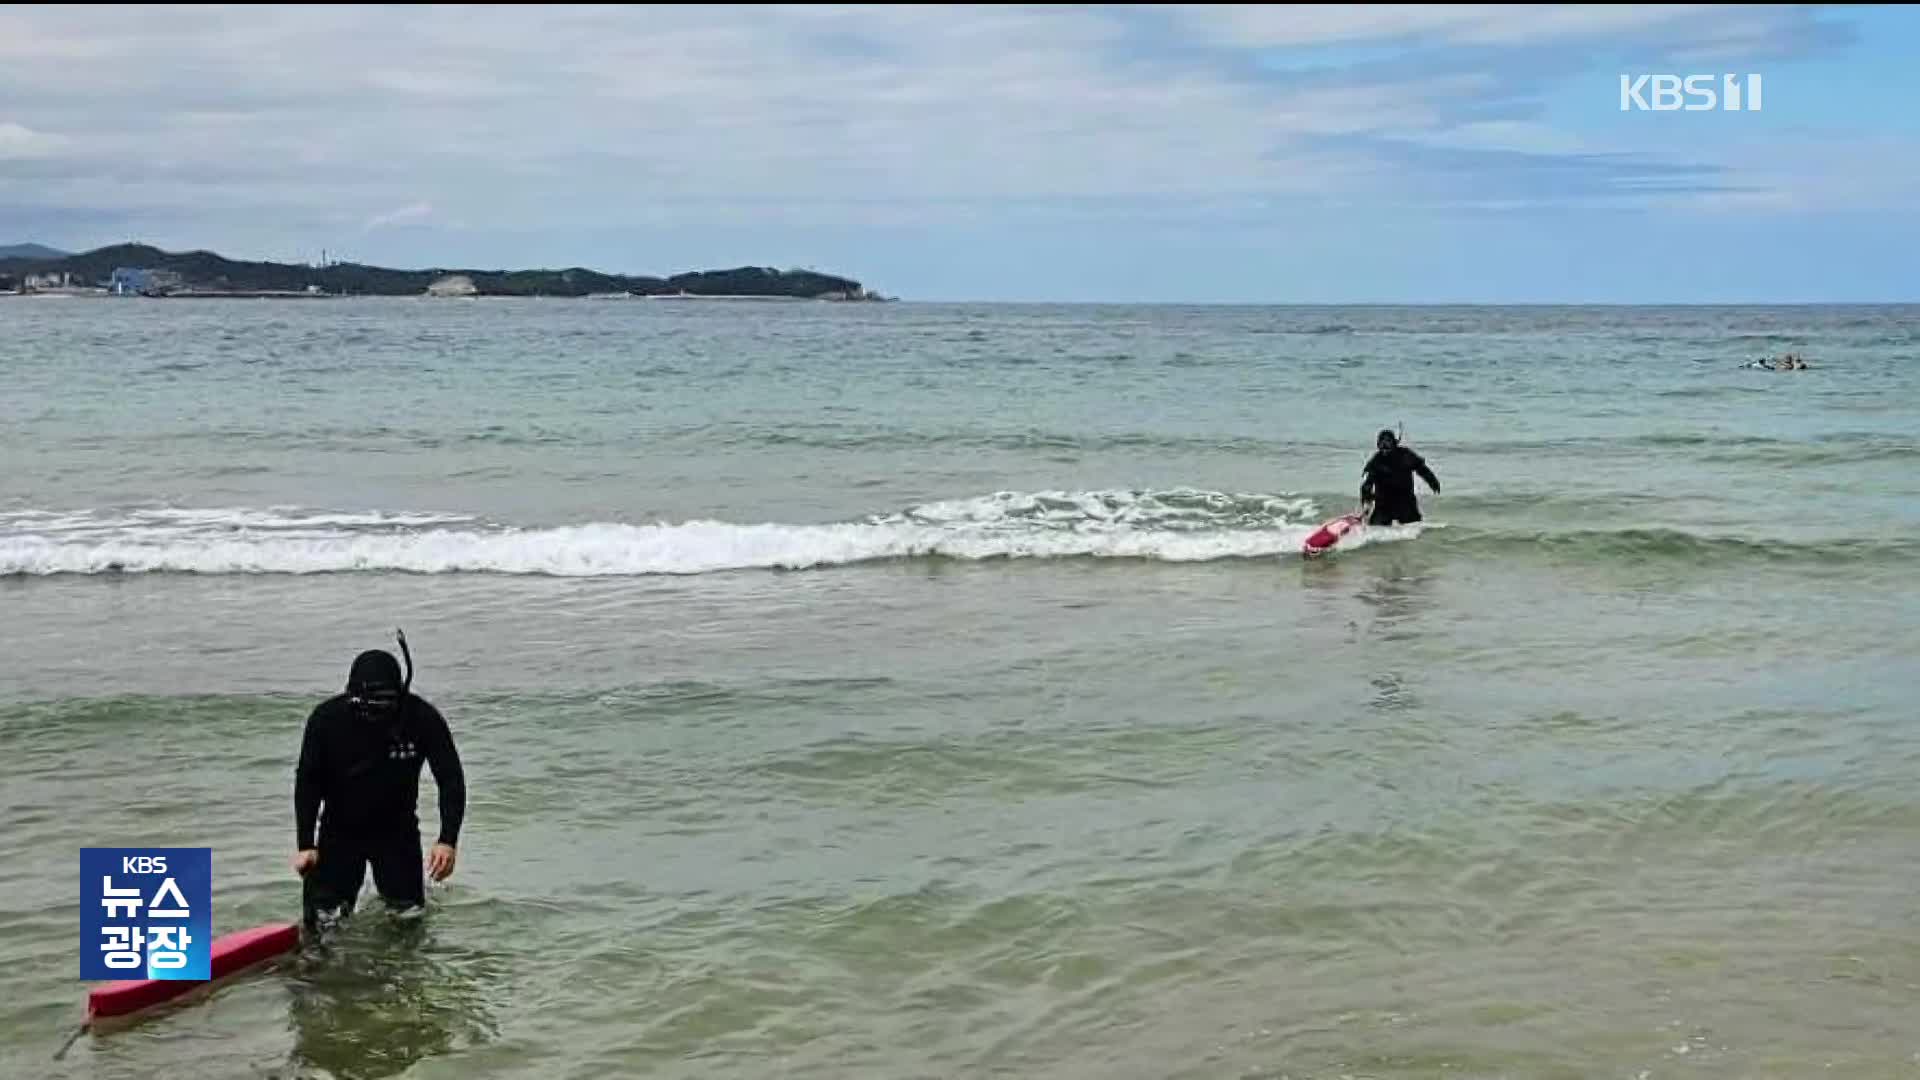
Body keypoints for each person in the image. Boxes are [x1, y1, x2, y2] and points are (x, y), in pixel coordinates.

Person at [293, 641, 466, 933]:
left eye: (385, 702)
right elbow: (308, 781)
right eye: (369, 703)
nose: (377, 711)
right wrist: (306, 844)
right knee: (323, 923)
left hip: (397, 834)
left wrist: (447, 840)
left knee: (407, 920)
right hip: (338, 834)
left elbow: (450, 778)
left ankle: (398, 976)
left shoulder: (421, 718)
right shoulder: (327, 719)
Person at [1360, 428, 1440, 526]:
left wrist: (1433, 482)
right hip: (1384, 503)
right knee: (1376, 528)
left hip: (1405, 501)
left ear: (1394, 443)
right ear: (1378, 445)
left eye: (1388, 442)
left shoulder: (1406, 455)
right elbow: (1367, 484)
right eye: (1382, 442)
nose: (1385, 445)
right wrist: (1366, 503)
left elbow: (1422, 470)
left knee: (1414, 527)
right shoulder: (1376, 461)